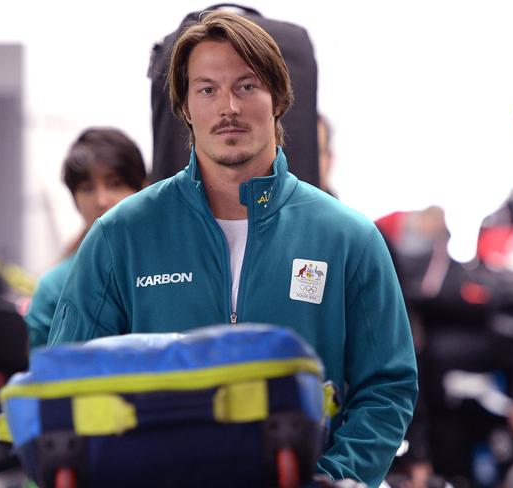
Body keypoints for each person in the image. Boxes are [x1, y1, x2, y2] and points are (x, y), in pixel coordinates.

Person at [48, 11, 417, 487]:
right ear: (184, 105)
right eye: (207, 89)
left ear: (278, 99)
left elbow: (387, 387)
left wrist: (336, 477)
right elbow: (68, 384)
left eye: (246, 86)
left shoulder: (348, 238)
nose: (229, 107)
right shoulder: (121, 236)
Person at [24, 128, 146, 351]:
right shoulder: (54, 288)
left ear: (143, 187)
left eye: (115, 183)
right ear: (74, 199)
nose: (101, 200)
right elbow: (43, 376)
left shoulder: (171, 270)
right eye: (87, 188)